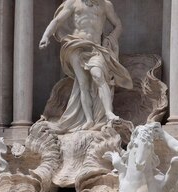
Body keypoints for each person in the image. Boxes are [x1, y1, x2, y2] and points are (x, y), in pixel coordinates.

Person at [39, 0, 133, 132]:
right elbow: (57, 21)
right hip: (76, 45)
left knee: (98, 75)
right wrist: (46, 36)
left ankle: (108, 113)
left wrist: (110, 38)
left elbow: (118, 25)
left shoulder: (105, 4)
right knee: (83, 83)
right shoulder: (73, 3)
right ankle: (89, 119)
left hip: (95, 47)